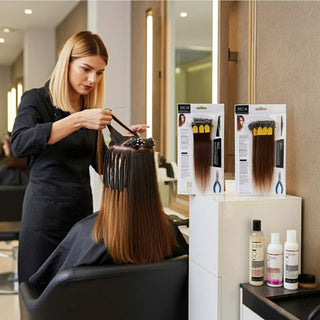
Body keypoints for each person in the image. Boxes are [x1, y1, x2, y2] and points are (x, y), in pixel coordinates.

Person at [10, 31, 147, 283]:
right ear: (67, 62)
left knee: (74, 296)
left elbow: (103, 165)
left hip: (80, 220)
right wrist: (78, 120)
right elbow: (19, 143)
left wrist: (125, 145)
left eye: (100, 72)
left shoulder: (88, 110)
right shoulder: (37, 100)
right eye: (86, 69)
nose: (92, 79)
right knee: (40, 293)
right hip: (43, 219)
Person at [28, 128, 188, 293]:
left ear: (111, 174)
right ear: (150, 177)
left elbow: (47, 288)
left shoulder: (87, 232)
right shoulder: (168, 230)